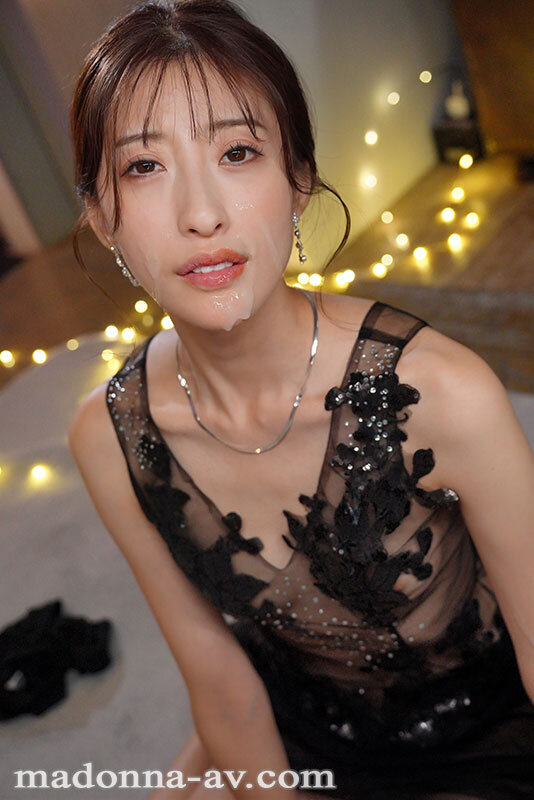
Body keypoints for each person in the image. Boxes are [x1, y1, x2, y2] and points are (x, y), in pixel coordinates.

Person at [67, 1, 534, 798]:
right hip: (301, 721)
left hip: (482, 737)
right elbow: (219, 680)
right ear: (101, 214)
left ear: (299, 180)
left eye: (238, 152)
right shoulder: (108, 438)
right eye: (144, 166)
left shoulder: (444, 394)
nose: (201, 214)